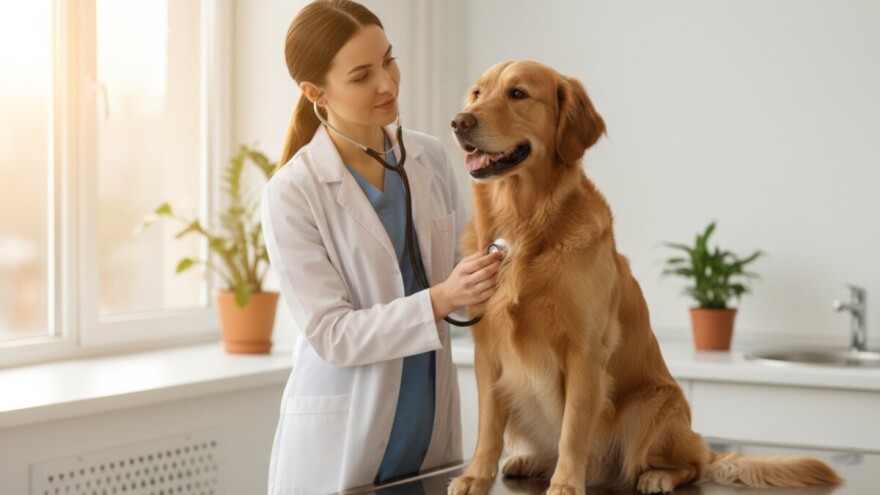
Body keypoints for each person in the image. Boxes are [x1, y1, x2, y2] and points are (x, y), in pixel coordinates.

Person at [260, 1, 503, 494]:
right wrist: (442, 297)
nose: (388, 83)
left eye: (389, 60)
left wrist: (500, 255)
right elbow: (333, 334)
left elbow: (464, 264)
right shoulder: (293, 192)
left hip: (427, 430)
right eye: (362, 75)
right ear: (315, 92)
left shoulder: (430, 156)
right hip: (345, 442)